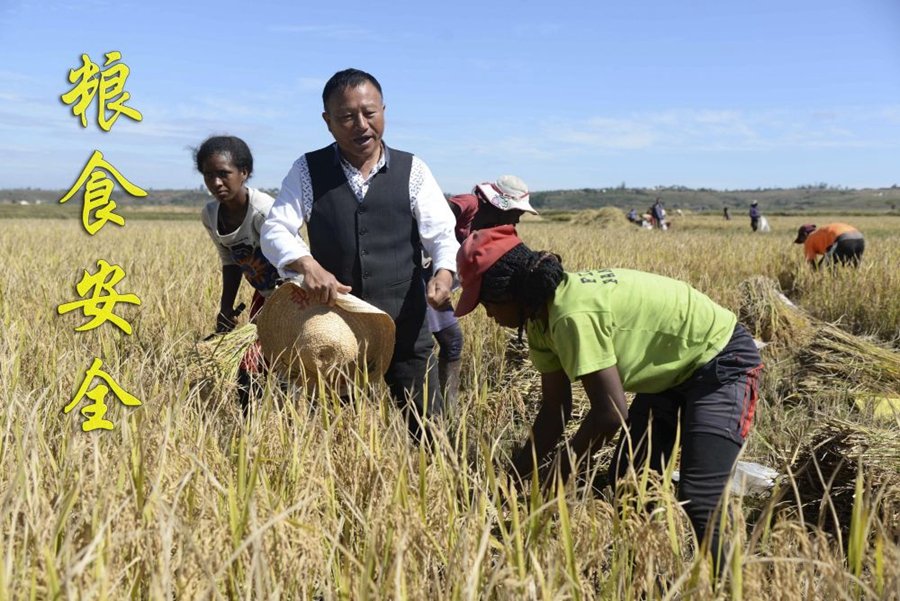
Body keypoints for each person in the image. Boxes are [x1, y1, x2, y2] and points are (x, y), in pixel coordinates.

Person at [454, 226, 764, 570]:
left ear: (508, 291)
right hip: (667, 373)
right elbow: (554, 414)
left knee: (700, 495)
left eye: (486, 302)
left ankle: (736, 585)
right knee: (629, 483)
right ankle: (647, 572)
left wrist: (556, 476)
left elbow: (610, 413)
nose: (488, 314)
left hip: (719, 360)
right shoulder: (540, 325)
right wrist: (507, 483)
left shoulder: (571, 314)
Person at [260, 68, 459, 439]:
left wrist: (445, 273)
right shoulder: (307, 170)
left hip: (406, 323)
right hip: (336, 330)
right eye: (347, 117)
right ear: (328, 122)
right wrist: (306, 264)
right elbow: (275, 229)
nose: (361, 125)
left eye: (370, 113)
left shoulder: (413, 170)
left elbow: (443, 235)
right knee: (338, 436)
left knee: (430, 433)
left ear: (384, 110)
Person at [425, 175, 538, 417]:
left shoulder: (497, 232)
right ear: (498, 205)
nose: (518, 218)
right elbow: (428, 220)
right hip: (419, 279)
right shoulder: (468, 205)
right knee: (431, 343)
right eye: (516, 211)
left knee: (450, 342)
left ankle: (446, 410)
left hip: (436, 287)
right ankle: (435, 410)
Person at [195, 135, 280, 411]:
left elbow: (294, 259)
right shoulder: (211, 214)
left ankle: (284, 421)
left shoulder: (263, 211)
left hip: (293, 295)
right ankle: (251, 425)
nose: (216, 183)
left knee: (272, 362)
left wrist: (283, 308)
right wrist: (225, 307)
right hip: (263, 295)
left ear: (244, 173)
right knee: (251, 365)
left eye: (224, 174)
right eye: (209, 175)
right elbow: (229, 261)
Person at [794, 223, 865, 269]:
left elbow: (812, 264)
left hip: (843, 239)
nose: (803, 243)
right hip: (860, 238)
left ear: (805, 235)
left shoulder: (809, 239)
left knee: (824, 270)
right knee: (852, 269)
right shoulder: (820, 233)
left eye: (802, 240)